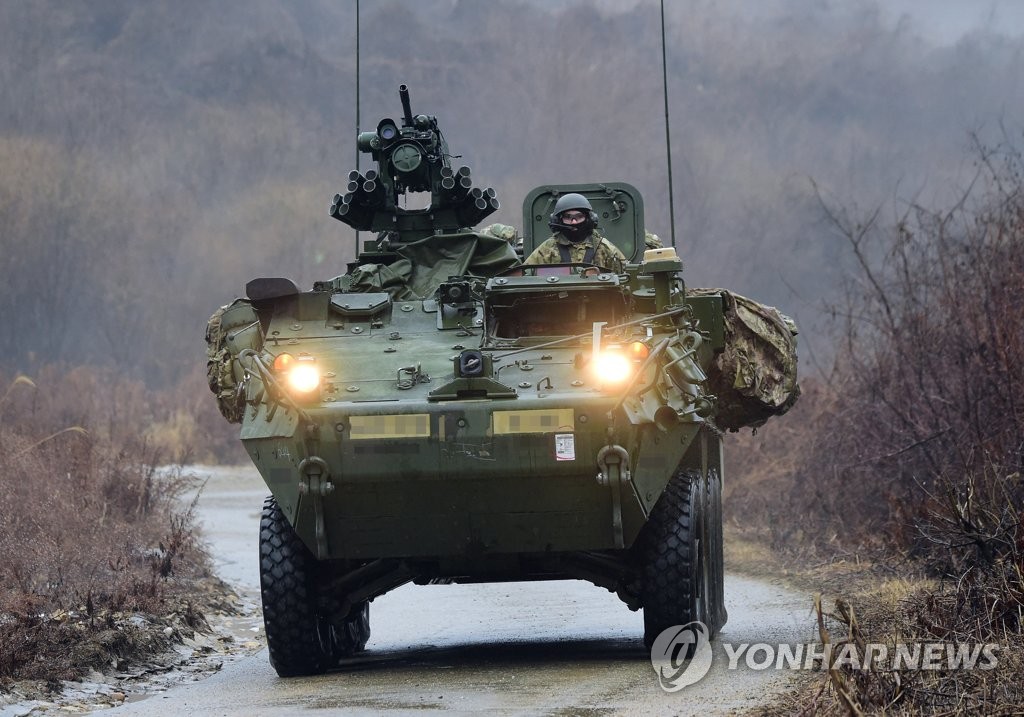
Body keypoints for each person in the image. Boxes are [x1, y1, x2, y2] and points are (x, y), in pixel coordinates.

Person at [523, 193, 627, 271]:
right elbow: (525, 276)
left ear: (589, 219)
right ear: (558, 220)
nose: (573, 222)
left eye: (579, 216)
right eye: (568, 217)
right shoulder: (547, 249)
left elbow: (626, 276)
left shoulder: (604, 247)